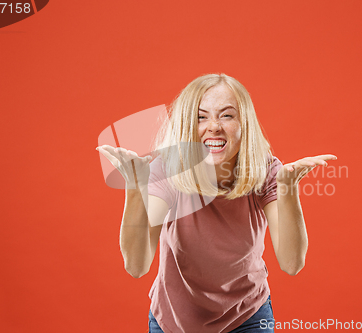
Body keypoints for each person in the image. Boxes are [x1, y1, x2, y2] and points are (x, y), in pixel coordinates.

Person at [96, 73, 337, 332]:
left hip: (248, 316)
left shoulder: (266, 171)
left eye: (227, 115)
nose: (214, 126)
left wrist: (288, 188)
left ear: (244, 123)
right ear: (187, 125)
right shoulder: (167, 170)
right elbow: (136, 265)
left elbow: (292, 263)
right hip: (176, 322)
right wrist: (134, 186)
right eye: (201, 117)